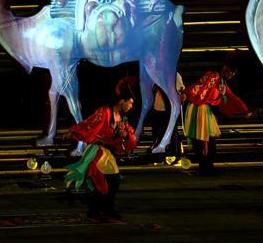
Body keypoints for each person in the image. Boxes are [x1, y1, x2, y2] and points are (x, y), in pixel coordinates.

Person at [64, 86, 138, 220]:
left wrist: (125, 135)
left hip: (106, 153)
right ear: (122, 101)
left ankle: (104, 209)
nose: (131, 106)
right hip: (96, 151)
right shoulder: (105, 112)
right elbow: (89, 123)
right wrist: (73, 131)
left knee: (113, 181)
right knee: (105, 181)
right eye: (130, 102)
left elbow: (130, 140)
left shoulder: (122, 119)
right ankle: (99, 210)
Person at [183, 59, 247, 176]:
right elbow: (199, 86)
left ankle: (208, 167)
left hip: (205, 110)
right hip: (199, 108)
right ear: (225, 68)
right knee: (203, 141)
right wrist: (187, 94)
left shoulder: (222, 81)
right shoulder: (213, 76)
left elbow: (230, 96)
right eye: (231, 72)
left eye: (233, 74)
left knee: (209, 141)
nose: (231, 75)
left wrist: (244, 109)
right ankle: (205, 168)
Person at [150, 72, 185, 155]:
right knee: (158, 132)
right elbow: (152, 87)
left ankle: (174, 154)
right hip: (158, 107)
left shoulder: (175, 74)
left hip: (170, 109)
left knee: (172, 132)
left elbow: (181, 91)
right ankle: (159, 155)